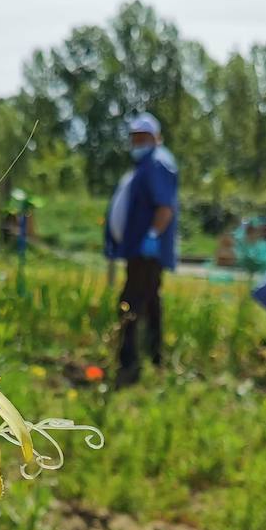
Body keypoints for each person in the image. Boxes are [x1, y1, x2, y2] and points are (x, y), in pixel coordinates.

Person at [104, 111, 179, 385]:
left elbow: (164, 207)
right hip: (140, 249)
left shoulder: (158, 164)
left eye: (142, 137)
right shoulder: (147, 164)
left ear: (155, 137)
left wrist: (152, 234)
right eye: (134, 138)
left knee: (130, 301)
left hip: (148, 250)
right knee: (150, 300)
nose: (137, 143)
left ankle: (129, 365)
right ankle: (153, 358)